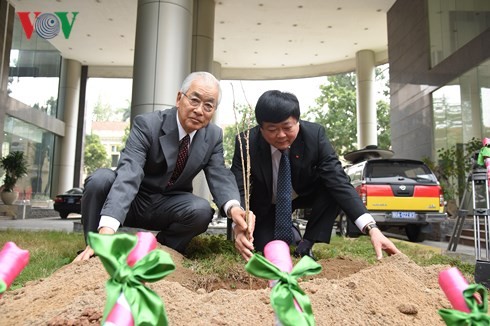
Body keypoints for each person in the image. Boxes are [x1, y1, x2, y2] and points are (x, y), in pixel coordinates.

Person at [75, 72, 255, 261]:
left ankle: (160, 252)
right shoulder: (148, 124)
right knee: (100, 180)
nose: (200, 110)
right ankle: (96, 248)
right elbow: (130, 172)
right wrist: (107, 229)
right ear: (179, 98)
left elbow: (220, 175)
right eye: (194, 100)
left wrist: (235, 210)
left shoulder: (213, 136)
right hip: (135, 199)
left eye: (208, 105)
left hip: (169, 203)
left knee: (201, 210)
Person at [231, 90, 400, 261]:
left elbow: (338, 181)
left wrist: (372, 228)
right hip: (265, 202)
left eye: (287, 127)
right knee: (263, 246)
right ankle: (289, 229)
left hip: (303, 194)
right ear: (261, 128)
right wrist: (241, 220)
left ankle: (307, 243)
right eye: (272, 129)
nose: (281, 135)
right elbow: (238, 186)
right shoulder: (246, 143)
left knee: (331, 188)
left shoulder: (314, 136)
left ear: (297, 122)